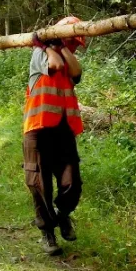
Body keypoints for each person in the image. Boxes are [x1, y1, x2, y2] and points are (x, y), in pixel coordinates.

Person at [24, 16, 86, 255]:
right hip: (37, 128)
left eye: (74, 44)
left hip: (63, 129)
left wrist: (60, 46)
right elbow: (55, 66)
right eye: (71, 42)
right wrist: (49, 46)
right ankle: (47, 233)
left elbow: (75, 70)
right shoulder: (39, 54)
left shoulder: (66, 56)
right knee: (39, 185)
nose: (72, 47)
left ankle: (63, 215)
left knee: (72, 183)